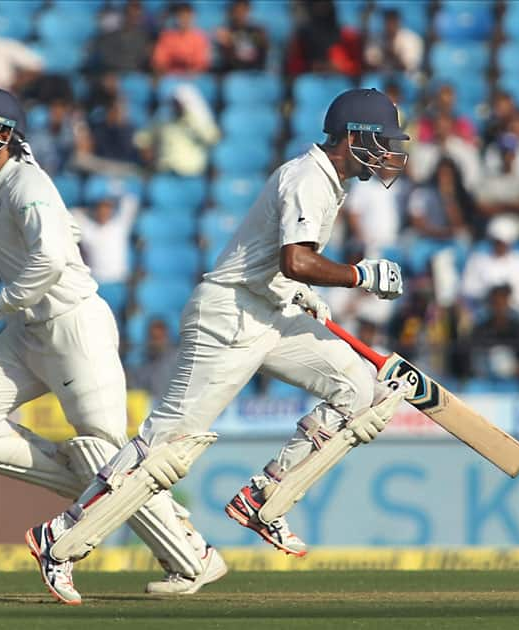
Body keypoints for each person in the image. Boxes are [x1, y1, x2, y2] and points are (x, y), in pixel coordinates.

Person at [26, 88, 412, 604]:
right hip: (227, 318)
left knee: (362, 392)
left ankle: (264, 498)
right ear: (355, 137)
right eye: (380, 141)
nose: (388, 153)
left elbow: (277, 262)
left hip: (269, 312)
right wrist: (357, 275)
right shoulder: (308, 177)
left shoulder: (328, 182)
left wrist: (297, 294)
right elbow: (296, 258)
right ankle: (61, 538)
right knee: (169, 447)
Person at [0, 87, 224, 602]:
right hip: (27, 332)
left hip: (72, 326)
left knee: (102, 449)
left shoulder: (27, 183)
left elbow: (52, 261)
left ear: (2, 135)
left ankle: (192, 559)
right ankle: (94, 478)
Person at [460, 216, 519, 317]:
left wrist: (508, 300)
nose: (500, 246)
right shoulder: (478, 260)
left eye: (504, 242)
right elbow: (468, 289)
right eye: (497, 241)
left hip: (517, 315)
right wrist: (491, 296)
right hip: (484, 313)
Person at [134, 84, 220, 176]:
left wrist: (192, 122)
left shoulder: (200, 121)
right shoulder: (163, 120)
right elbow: (142, 138)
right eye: (175, 103)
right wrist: (147, 153)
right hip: (165, 172)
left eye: (180, 103)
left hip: (192, 173)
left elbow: (212, 139)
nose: (177, 107)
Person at [463, 284, 519, 385]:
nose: (499, 306)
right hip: (485, 380)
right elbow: (473, 354)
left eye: (502, 302)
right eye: (496, 302)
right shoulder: (480, 329)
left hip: (513, 381)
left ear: (508, 302)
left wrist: (518, 369)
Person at [475, 134, 519, 238]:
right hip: (493, 235)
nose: (507, 156)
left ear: (515, 154)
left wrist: (497, 205)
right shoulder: (488, 179)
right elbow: (482, 209)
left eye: (510, 152)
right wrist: (514, 206)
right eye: (504, 152)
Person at [408, 111, 482, 193]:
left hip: (460, 196)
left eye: (445, 124)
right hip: (429, 195)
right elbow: (417, 178)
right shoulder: (421, 150)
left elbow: (473, 179)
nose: (441, 128)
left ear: (451, 125)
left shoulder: (466, 150)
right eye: (438, 124)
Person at [71, 194, 138, 285]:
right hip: (96, 280)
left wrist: (113, 192)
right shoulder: (87, 228)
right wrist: (87, 211)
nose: (103, 213)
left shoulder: (120, 226)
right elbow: (71, 213)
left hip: (119, 279)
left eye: (107, 210)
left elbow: (131, 202)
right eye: (100, 209)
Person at [286, 1, 362, 77]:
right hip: (311, 79)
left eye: (325, 4)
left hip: (340, 78)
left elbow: (356, 66)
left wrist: (338, 67)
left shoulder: (346, 35)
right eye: (318, 4)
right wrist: (312, 67)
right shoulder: (302, 34)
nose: (322, 7)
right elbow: (295, 66)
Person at [90, 0, 152, 73]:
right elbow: (106, 58)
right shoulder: (110, 36)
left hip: (136, 75)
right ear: (125, 14)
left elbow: (144, 60)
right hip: (114, 73)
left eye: (137, 17)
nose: (134, 19)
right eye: (131, 16)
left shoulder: (144, 37)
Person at [151, 2, 211, 74]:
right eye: (181, 16)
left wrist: (188, 65)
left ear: (193, 16)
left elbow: (203, 63)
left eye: (187, 16)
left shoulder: (200, 37)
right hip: (170, 77)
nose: (184, 19)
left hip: (194, 78)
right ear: (176, 17)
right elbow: (159, 61)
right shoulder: (167, 37)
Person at [129, 317, 178, 398]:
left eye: (159, 338)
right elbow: (136, 390)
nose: (156, 343)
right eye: (153, 338)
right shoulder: (142, 364)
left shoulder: (178, 359)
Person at [364, 8, 423, 75]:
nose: (390, 25)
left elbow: (410, 66)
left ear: (399, 22)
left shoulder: (411, 39)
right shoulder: (376, 38)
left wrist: (393, 53)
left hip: (406, 77)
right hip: (382, 76)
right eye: (387, 20)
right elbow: (371, 63)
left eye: (393, 21)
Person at [214, 0, 269, 72]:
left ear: (248, 10)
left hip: (254, 71)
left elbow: (262, 55)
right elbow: (226, 60)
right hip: (233, 72)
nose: (240, 13)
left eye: (244, 10)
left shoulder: (258, 31)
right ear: (232, 11)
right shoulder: (225, 31)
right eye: (238, 10)